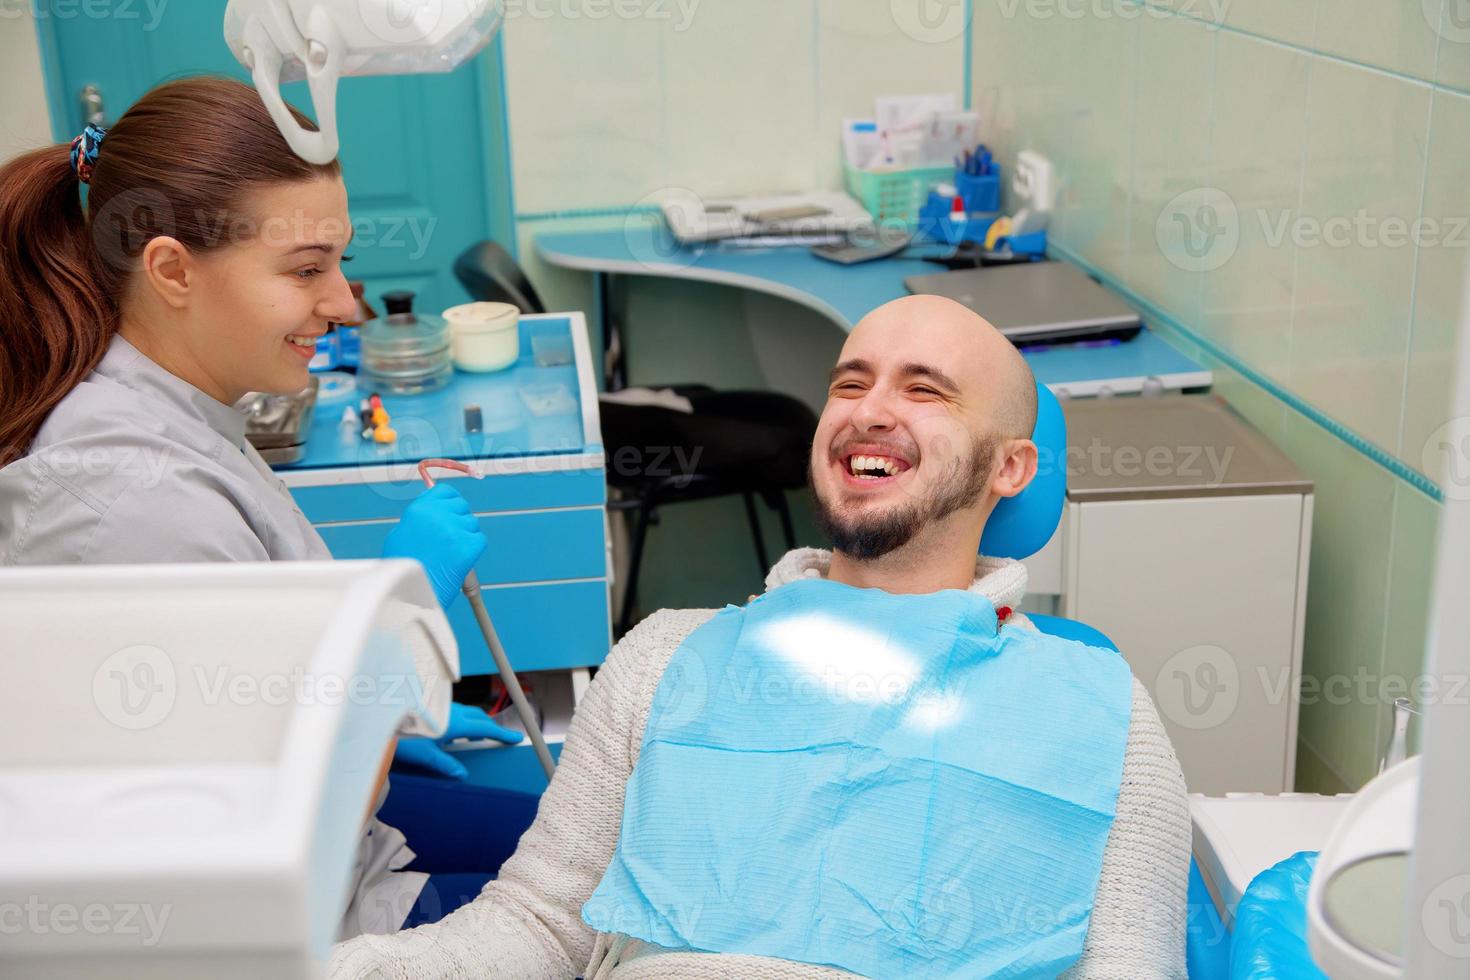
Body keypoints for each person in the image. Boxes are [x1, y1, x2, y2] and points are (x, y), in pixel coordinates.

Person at [330, 294, 1192, 979]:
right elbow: (537, 927)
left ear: (1010, 467)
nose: (870, 411)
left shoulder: (1101, 719)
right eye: (851, 384)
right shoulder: (666, 659)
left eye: (923, 389)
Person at [0, 76, 519, 938]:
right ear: (170, 268)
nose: (343, 302)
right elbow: (255, 838)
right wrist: (396, 638)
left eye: (339, 261)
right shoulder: (131, 499)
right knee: (611, 909)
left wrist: (377, 718)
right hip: (298, 920)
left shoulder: (173, 407)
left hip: (343, 841)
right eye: (306, 269)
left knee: (577, 842)